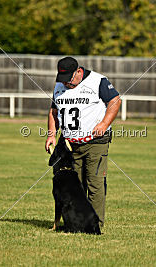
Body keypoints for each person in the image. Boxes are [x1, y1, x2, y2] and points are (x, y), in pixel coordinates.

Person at [45, 56, 121, 230]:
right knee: (74, 187)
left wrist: (104, 124)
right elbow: (53, 111)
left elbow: (115, 101)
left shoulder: (98, 81)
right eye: (62, 80)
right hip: (70, 145)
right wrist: (51, 135)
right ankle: (74, 224)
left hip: (95, 142)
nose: (66, 84)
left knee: (95, 184)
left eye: (69, 80)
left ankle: (95, 225)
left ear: (79, 71)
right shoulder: (60, 86)